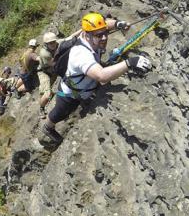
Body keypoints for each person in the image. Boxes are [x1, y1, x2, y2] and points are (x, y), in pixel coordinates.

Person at [41, 12, 151, 143]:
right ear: (87, 35)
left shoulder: (90, 34)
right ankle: (47, 127)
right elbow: (102, 76)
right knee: (61, 113)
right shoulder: (81, 54)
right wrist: (130, 63)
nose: (104, 37)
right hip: (70, 94)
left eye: (105, 33)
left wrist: (117, 24)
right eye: (99, 35)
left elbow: (104, 24)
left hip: (84, 86)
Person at [37, 32, 59, 119]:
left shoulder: (57, 43)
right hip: (44, 72)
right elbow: (54, 64)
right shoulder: (44, 53)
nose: (53, 44)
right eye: (50, 43)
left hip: (52, 71)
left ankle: (44, 92)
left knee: (49, 91)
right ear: (46, 44)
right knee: (47, 94)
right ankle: (41, 108)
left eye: (54, 41)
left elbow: (69, 38)